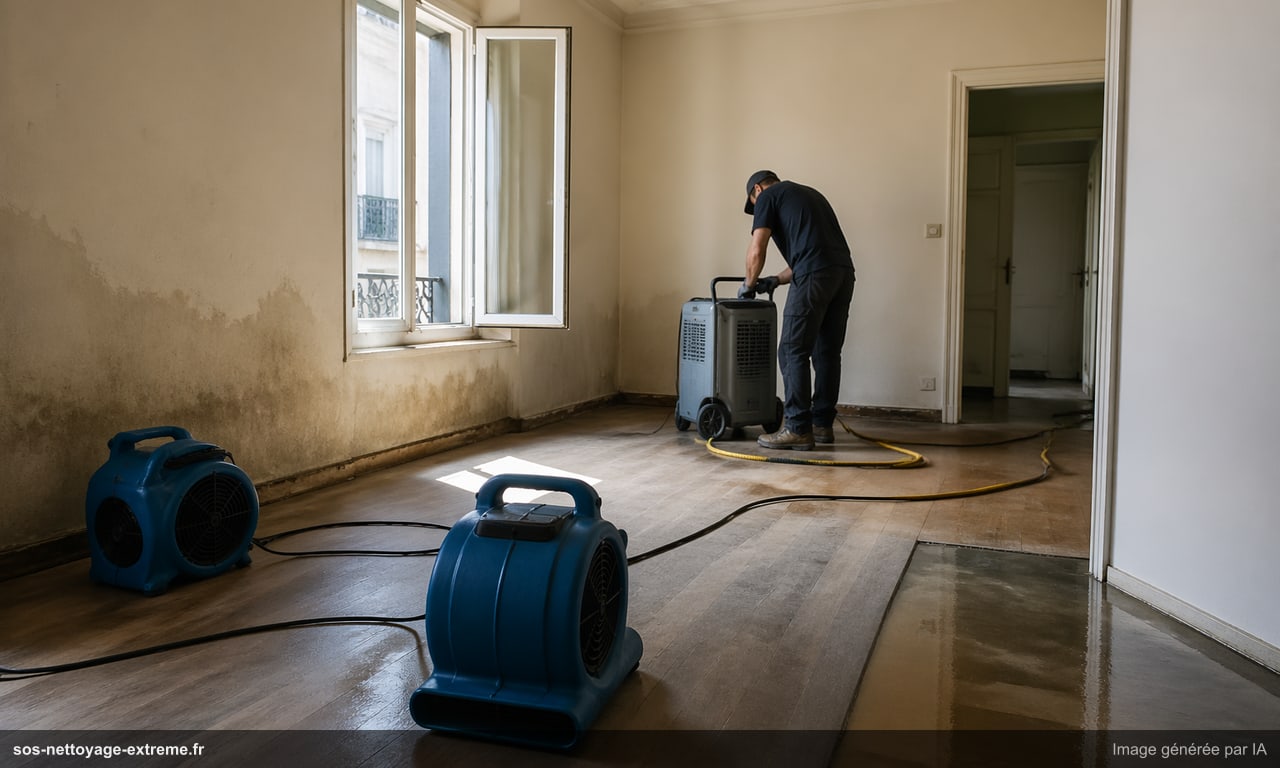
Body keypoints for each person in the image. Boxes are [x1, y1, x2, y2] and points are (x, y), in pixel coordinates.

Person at [740, 170, 856, 451]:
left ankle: (797, 428)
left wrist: (748, 285)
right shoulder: (810, 195)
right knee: (827, 352)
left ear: (757, 190)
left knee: (792, 349)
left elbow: (757, 249)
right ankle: (822, 425)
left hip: (815, 276)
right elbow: (813, 254)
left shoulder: (767, 196)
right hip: (842, 275)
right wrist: (776, 280)